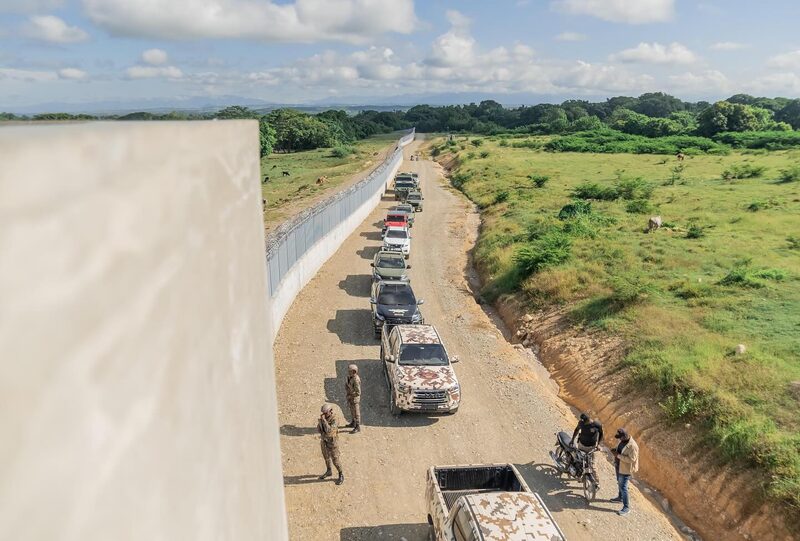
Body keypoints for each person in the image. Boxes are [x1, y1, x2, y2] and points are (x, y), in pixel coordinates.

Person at [611, 427, 639, 516]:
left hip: (626, 469)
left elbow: (632, 459)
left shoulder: (633, 446)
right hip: (619, 466)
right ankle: (620, 498)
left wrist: (618, 456)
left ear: (625, 436)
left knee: (623, 487)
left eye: (620, 437)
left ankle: (626, 508)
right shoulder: (622, 441)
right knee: (619, 482)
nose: (619, 439)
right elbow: (621, 449)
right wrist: (615, 450)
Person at [317, 404, 344, 485]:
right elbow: (319, 429)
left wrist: (324, 421)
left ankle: (341, 474)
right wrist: (321, 423)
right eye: (323, 413)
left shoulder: (335, 419)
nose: (324, 414)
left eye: (326, 413)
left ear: (330, 411)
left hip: (332, 443)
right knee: (326, 457)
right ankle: (329, 471)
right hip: (324, 441)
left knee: (335, 460)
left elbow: (330, 431)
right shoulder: (323, 418)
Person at [343, 364, 362, 433]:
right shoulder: (349, 377)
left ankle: (357, 426)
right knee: (352, 411)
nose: (348, 372)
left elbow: (358, 392)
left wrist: (351, 395)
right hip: (350, 396)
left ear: (354, 372)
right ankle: (353, 422)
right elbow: (347, 384)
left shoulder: (356, 380)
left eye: (350, 371)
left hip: (354, 399)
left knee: (356, 413)